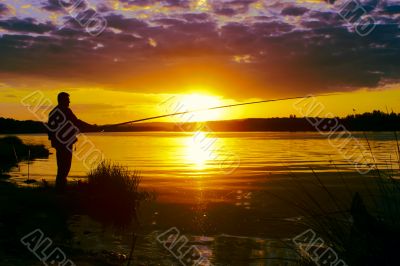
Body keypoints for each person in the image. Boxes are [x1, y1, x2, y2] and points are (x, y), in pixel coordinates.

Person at [47, 92, 96, 191]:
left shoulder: (53, 112)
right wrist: (92, 127)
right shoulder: (65, 110)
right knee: (65, 167)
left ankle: (59, 188)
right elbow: (76, 122)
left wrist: (55, 142)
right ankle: (60, 190)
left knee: (61, 167)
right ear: (62, 100)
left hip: (59, 144)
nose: (69, 101)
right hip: (65, 144)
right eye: (67, 99)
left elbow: (50, 130)